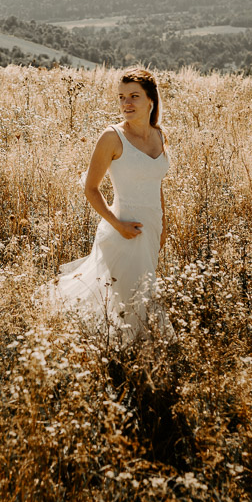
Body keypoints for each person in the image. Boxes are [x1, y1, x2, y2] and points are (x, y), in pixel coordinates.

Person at [47, 68, 170, 339]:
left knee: (143, 294)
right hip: (122, 230)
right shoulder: (112, 137)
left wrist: (164, 226)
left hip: (151, 230)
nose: (126, 103)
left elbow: (156, 184)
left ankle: (138, 351)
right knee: (128, 301)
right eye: (121, 97)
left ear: (151, 99)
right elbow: (90, 188)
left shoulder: (159, 135)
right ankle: (126, 353)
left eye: (134, 96)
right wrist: (118, 225)